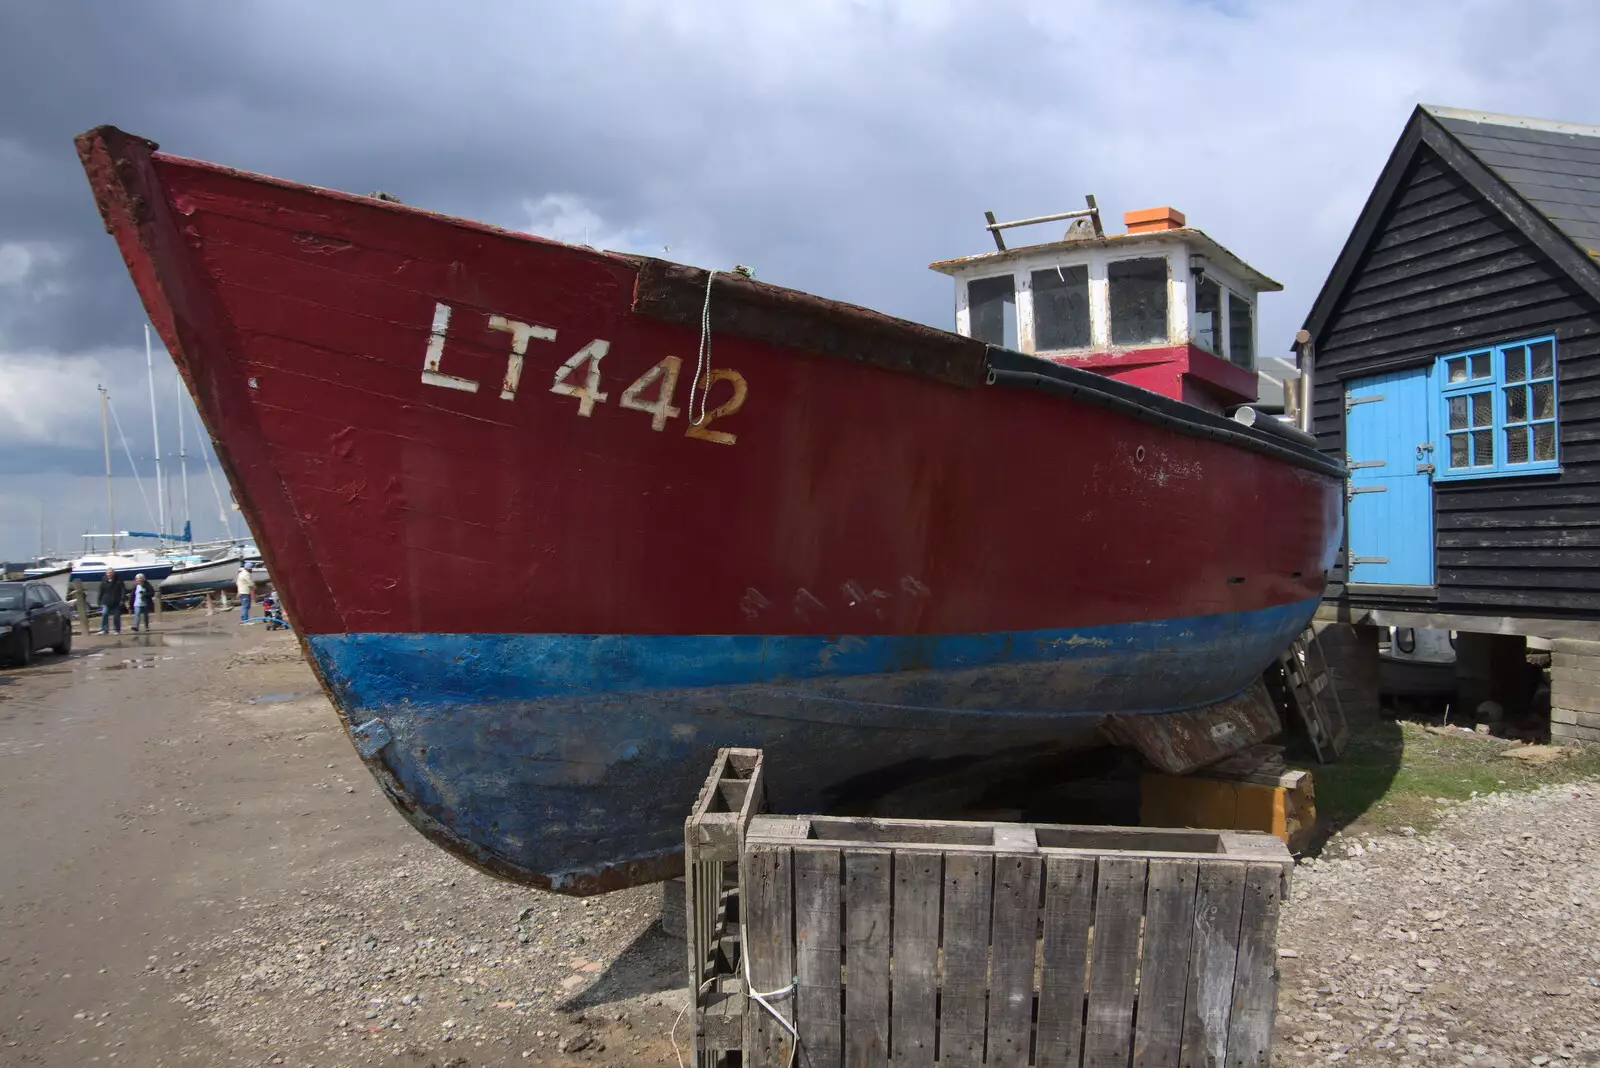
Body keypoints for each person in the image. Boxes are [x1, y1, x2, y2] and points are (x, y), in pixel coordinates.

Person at [98, 568, 126, 635]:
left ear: (113, 573)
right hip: (106, 601)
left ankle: (117, 630)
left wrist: (122, 599)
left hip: (116, 600)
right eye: (107, 573)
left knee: (116, 616)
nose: (109, 574)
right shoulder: (103, 580)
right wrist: (99, 600)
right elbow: (101, 591)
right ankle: (104, 629)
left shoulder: (119, 580)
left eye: (110, 573)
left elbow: (123, 590)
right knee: (104, 614)